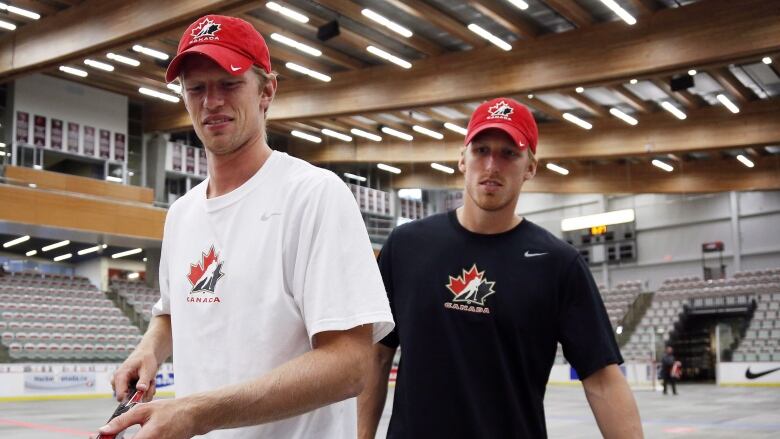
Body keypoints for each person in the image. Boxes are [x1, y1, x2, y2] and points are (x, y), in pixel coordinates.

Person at [98, 15, 394, 439]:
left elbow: (349, 366)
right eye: (196, 88)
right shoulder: (181, 214)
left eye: (229, 83)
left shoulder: (313, 196)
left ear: (267, 90)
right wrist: (148, 350)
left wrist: (197, 413)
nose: (211, 101)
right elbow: (171, 313)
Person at [358, 98, 643, 438]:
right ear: (462, 158)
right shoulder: (405, 246)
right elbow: (375, 357)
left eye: (509, 153)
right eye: (481, 150)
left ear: (530, 167)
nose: (492, 165)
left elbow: (603, 381)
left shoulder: (558, 264)